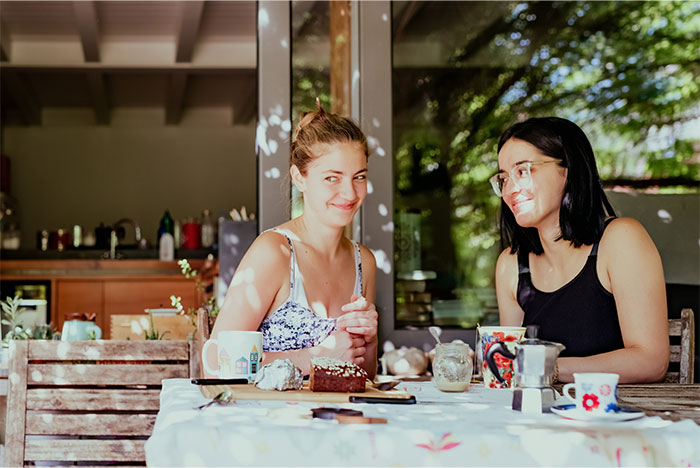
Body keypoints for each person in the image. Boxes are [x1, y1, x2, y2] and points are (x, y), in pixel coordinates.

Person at [492, 117, 669, 383]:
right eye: (504, 178)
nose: (510, 189)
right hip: (539, 409)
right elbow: (510, 370)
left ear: (568, 169)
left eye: (523, 171)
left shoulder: (620, 240)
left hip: (620, 407)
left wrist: (549, 367)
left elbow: (651, 361)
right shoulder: (511, 265)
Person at [210, 102, 378, 379]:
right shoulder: (274, 252)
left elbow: (366, 376)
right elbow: (216, 361)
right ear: (299, 178)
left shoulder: (364, 262)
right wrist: (315, 358)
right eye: (332, 178)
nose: (350, 193)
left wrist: (369, 339)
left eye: (358, 177)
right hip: (266, 408)